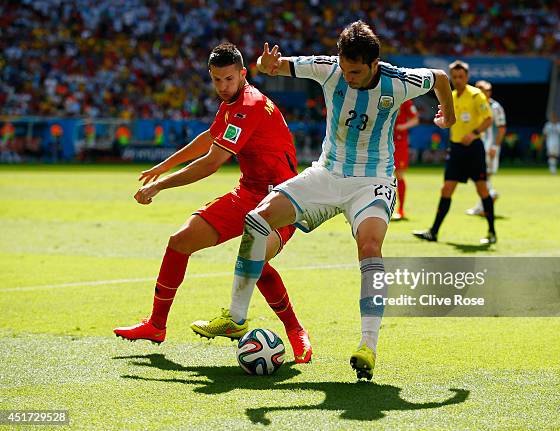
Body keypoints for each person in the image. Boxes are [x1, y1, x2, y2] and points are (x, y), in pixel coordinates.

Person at [194, 21, 455, 380]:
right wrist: (268, 65)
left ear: (374, 64)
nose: (348, 77)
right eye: (345, 69)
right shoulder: (330, 69)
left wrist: (449, 114)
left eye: (356, 72)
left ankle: (368, 346)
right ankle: (236, 318)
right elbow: (280, 65)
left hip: (372, 180)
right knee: (257, 219)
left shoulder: (400, 81)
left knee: (370, 247)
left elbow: (441, 77)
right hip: (326, 174)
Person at [113, 43, 312, 363]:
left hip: (281, 197)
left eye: (229, 79)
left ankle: (295, 332)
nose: (222, 86)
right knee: (180, 241)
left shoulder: (249, 104)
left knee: (255, 258)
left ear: (243, 74)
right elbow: (210, 137)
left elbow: (211, 163)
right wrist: (163, 166)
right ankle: (156, 326)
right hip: (248, 192)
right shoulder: (232, 103)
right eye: (217, 80)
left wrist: (160, 186)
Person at [413, 60, 495, 244]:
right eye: (455, 76)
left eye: (461, 76)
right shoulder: (450, 96)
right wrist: (439, 122)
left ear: (467, 77)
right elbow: (445, 121)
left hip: (474, 149)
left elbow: (488, 119)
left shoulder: (476, 96)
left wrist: (474, 134)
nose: (458, 79)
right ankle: (433, 232)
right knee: (446, 189)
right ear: (451, 77)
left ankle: (491, 232)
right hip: (456, 149)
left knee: (482, 189)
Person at [466, 80, 506, 216]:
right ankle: (481, 206)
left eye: (488, 90)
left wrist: (495, 146)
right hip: (477, 145)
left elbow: (501, 129)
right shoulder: (475, 105)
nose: (486, 93)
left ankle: (490, 195)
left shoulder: (495, 107)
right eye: (483, 90)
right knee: (479, 176)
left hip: (489, 147)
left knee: (482, 176)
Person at [391, 100, 419, 220]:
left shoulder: (405, 100)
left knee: (399, 175)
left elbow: (415, 119)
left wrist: (403, 126)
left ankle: (401, 210)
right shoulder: (381, 93)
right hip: (382, 141)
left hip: (399, 143)